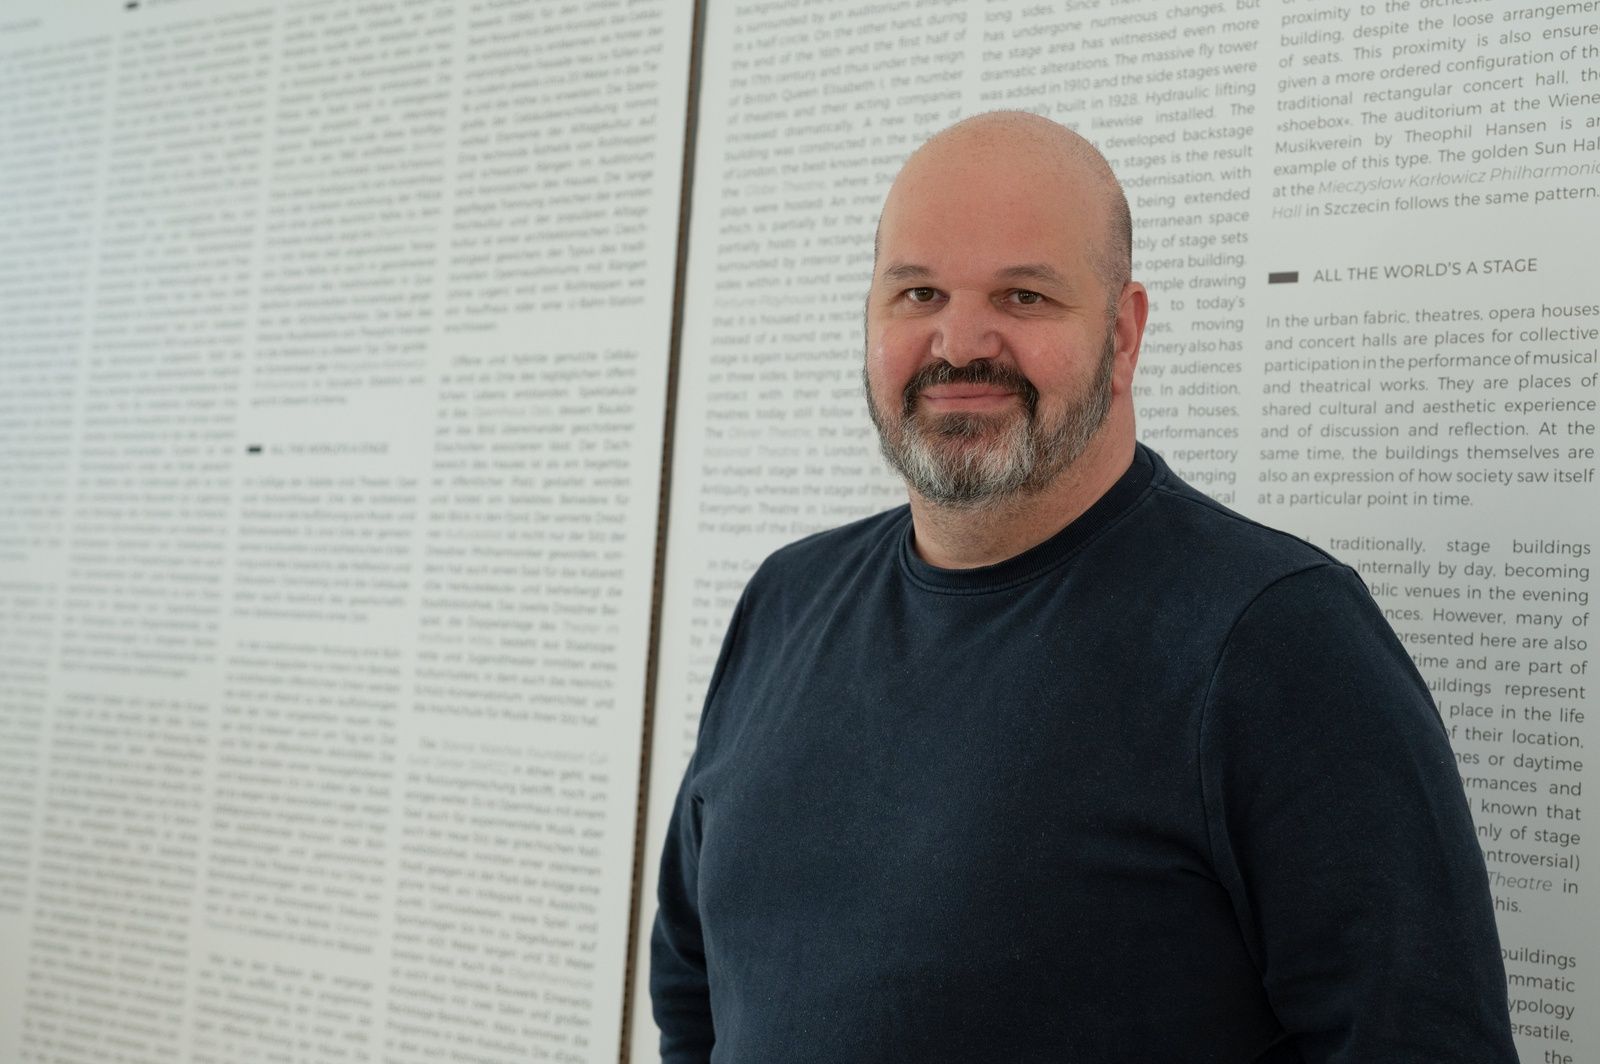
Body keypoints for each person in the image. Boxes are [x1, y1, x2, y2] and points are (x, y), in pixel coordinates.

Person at [650, 111, 1517, 1062]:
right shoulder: (787, 599)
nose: (959, 341)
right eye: (919, 292)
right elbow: (693, 990)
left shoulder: (1278, 638)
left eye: (1023, 296)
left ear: (1124, 333)